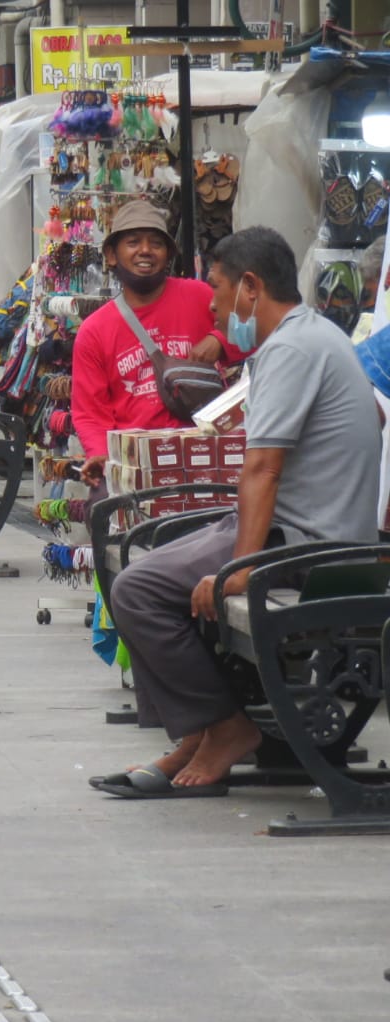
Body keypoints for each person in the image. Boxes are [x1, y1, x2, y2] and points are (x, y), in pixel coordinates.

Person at [102, 227, 381, 796]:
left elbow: (262, 469)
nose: (214, 308)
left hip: (303, 544)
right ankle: (198, 732)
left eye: (220, 292)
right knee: (141, 561)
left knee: (136, 589)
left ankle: (225, 729)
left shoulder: (291, 347)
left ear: (251, 287)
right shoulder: (317, 338)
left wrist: (243, 568)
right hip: (306, 530)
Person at [72, 200, 234, 487]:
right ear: (111, 255)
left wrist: (219, 340)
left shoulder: (199, 296)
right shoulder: (95, 330)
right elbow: (90, 413)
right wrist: (100, 455)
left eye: (156, 243)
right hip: (136, 467)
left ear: (168, 254)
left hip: (205, 456)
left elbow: (251, 333)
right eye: (133, 242)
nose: (145, 250)